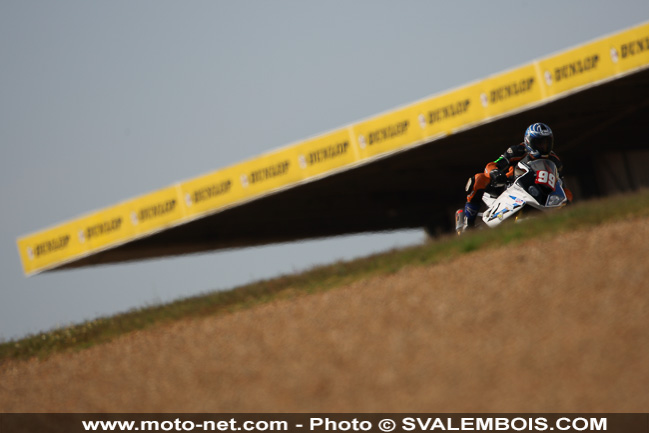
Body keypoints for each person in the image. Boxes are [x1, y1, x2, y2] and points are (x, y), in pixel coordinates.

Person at [459, 122, 573, 229]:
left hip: (536, 192)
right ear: (529, 142)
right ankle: (468, 223)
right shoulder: (517, 151)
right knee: (478, 179)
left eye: (547, 143)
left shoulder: (555, 161)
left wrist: (567, 199)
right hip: (507, 186)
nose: (543, 147)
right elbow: (491, 165)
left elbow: (561, 184)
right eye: (539, 143)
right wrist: (495, 172)